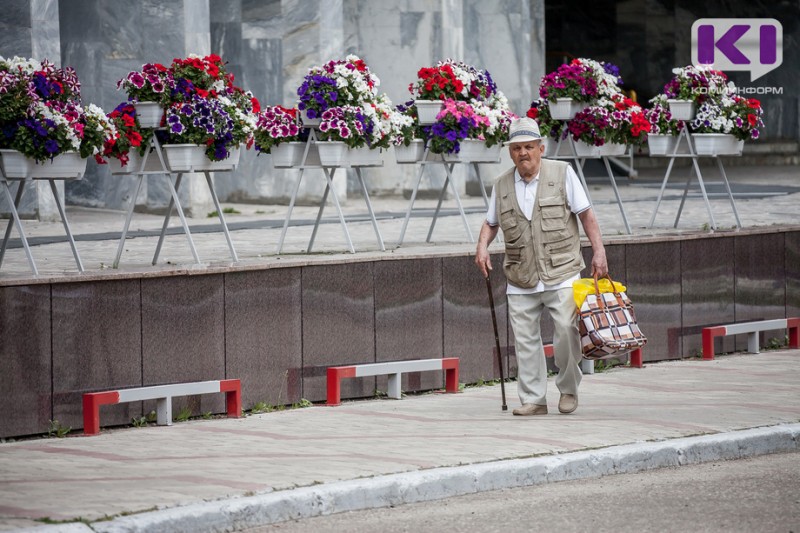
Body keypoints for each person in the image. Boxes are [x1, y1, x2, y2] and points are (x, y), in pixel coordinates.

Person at [474, 117, 608, 416]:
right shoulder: (502, 184)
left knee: (565, 332)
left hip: (561, 271)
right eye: (517, 148)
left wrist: (598, 251)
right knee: (525, 342)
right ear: (510, 152)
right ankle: (534, 399)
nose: (524, 153)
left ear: (540, 148)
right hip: (520, 274)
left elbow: (586, 215)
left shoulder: (562, 173)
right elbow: (491, 222)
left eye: (529, 147)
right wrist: (482, 246)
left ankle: (569, 388)